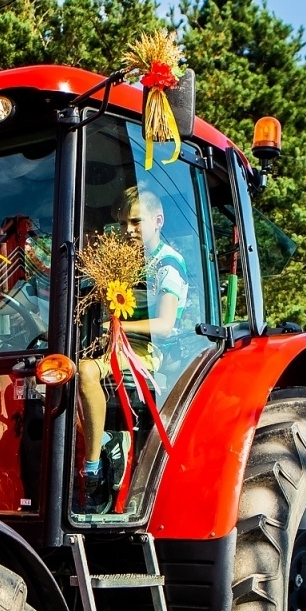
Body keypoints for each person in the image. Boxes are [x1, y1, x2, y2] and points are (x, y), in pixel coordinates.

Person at [75, 187, 188, 509]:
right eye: (124, 223)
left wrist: (119, 327)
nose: (128, 230)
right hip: (112, 343)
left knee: (84, 371)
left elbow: (165, 325)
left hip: (145, 349)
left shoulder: (168, 264)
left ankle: (92, 470)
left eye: (136, 222)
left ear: (158, 220)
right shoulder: (128, 263)